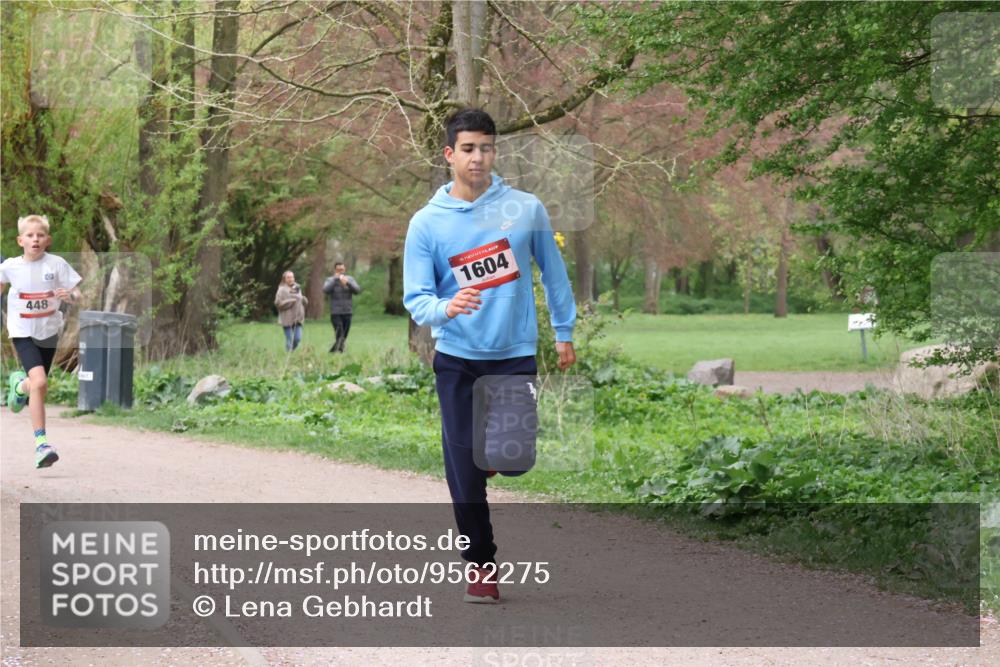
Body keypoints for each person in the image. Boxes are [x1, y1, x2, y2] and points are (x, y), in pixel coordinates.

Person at [403, 108, 576, 603]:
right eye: (469, 148)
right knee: (463, 471)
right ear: (449, 154)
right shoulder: (427, 223)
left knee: (514, 458)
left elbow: (554, 274)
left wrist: (564, 332)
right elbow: (415, 297)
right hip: (457, 357)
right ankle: (479, 565)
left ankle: (492, 457)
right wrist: (445, 306)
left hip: (513, 352)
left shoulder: (525, 209)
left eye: (487, 147)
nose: (479, 157)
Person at [1, 214, 83, 469]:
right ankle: (42, 444)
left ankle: (19, 387)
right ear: (20, 240)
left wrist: (70, 295)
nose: (35, 239)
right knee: (41, 381)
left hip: (48, 332)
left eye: (39, 235)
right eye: (30, 235)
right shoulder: (11, 267)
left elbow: (79, 293)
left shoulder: (56, 265)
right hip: (22, 331)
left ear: (47, 240)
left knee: (38, 386)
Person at [322, 262, 361, 353]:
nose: (340, 271)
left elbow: (357, 290)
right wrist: (335, 280)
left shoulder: (350, 279)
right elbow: (325, 290)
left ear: (345, 269)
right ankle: (340, 352)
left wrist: (348, 283)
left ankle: (333, 351)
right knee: (340, 333)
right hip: (335, 312)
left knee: (344, 336)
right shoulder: (330, 280)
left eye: (342, 269)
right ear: (335, 270)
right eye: (338, 270)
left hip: (348, 311)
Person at [274, 270, 307, 352]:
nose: (291, 279)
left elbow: (300, 299)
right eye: (288, 277)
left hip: (298, 318)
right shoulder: (281, 290)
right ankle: (288, 356)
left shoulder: (297, 287)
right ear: (284, 279)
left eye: (292, 277)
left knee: (297, 339)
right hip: (287, 318)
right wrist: (289, 301)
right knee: (290, 339)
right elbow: (277, 303)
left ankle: (290, 351)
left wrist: (304, 299)